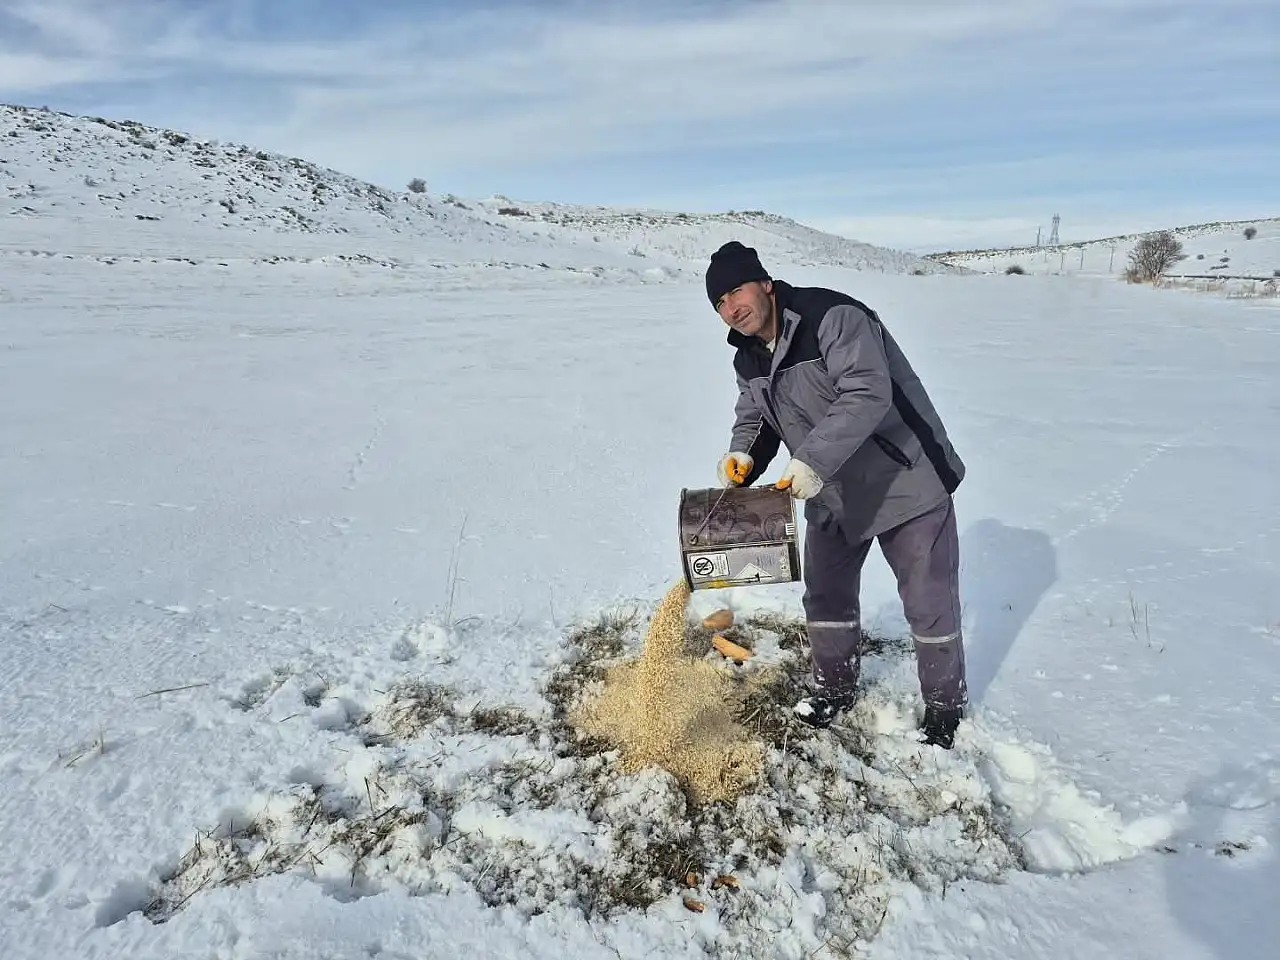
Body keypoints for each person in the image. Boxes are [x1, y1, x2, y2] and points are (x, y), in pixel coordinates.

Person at [707, 241, 969, 748]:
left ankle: (944, 705)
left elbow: (868, 392)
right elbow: (757, 415)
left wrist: (811, 460)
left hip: (903, 477)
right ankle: (834, 686)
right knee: (825, 594)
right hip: (829, 487)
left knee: (928, 600)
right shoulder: (746, 356)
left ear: (765, 284)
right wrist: (743, 455)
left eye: (737, 291)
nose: (731, 308)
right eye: (719, 303)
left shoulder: (832, 316)